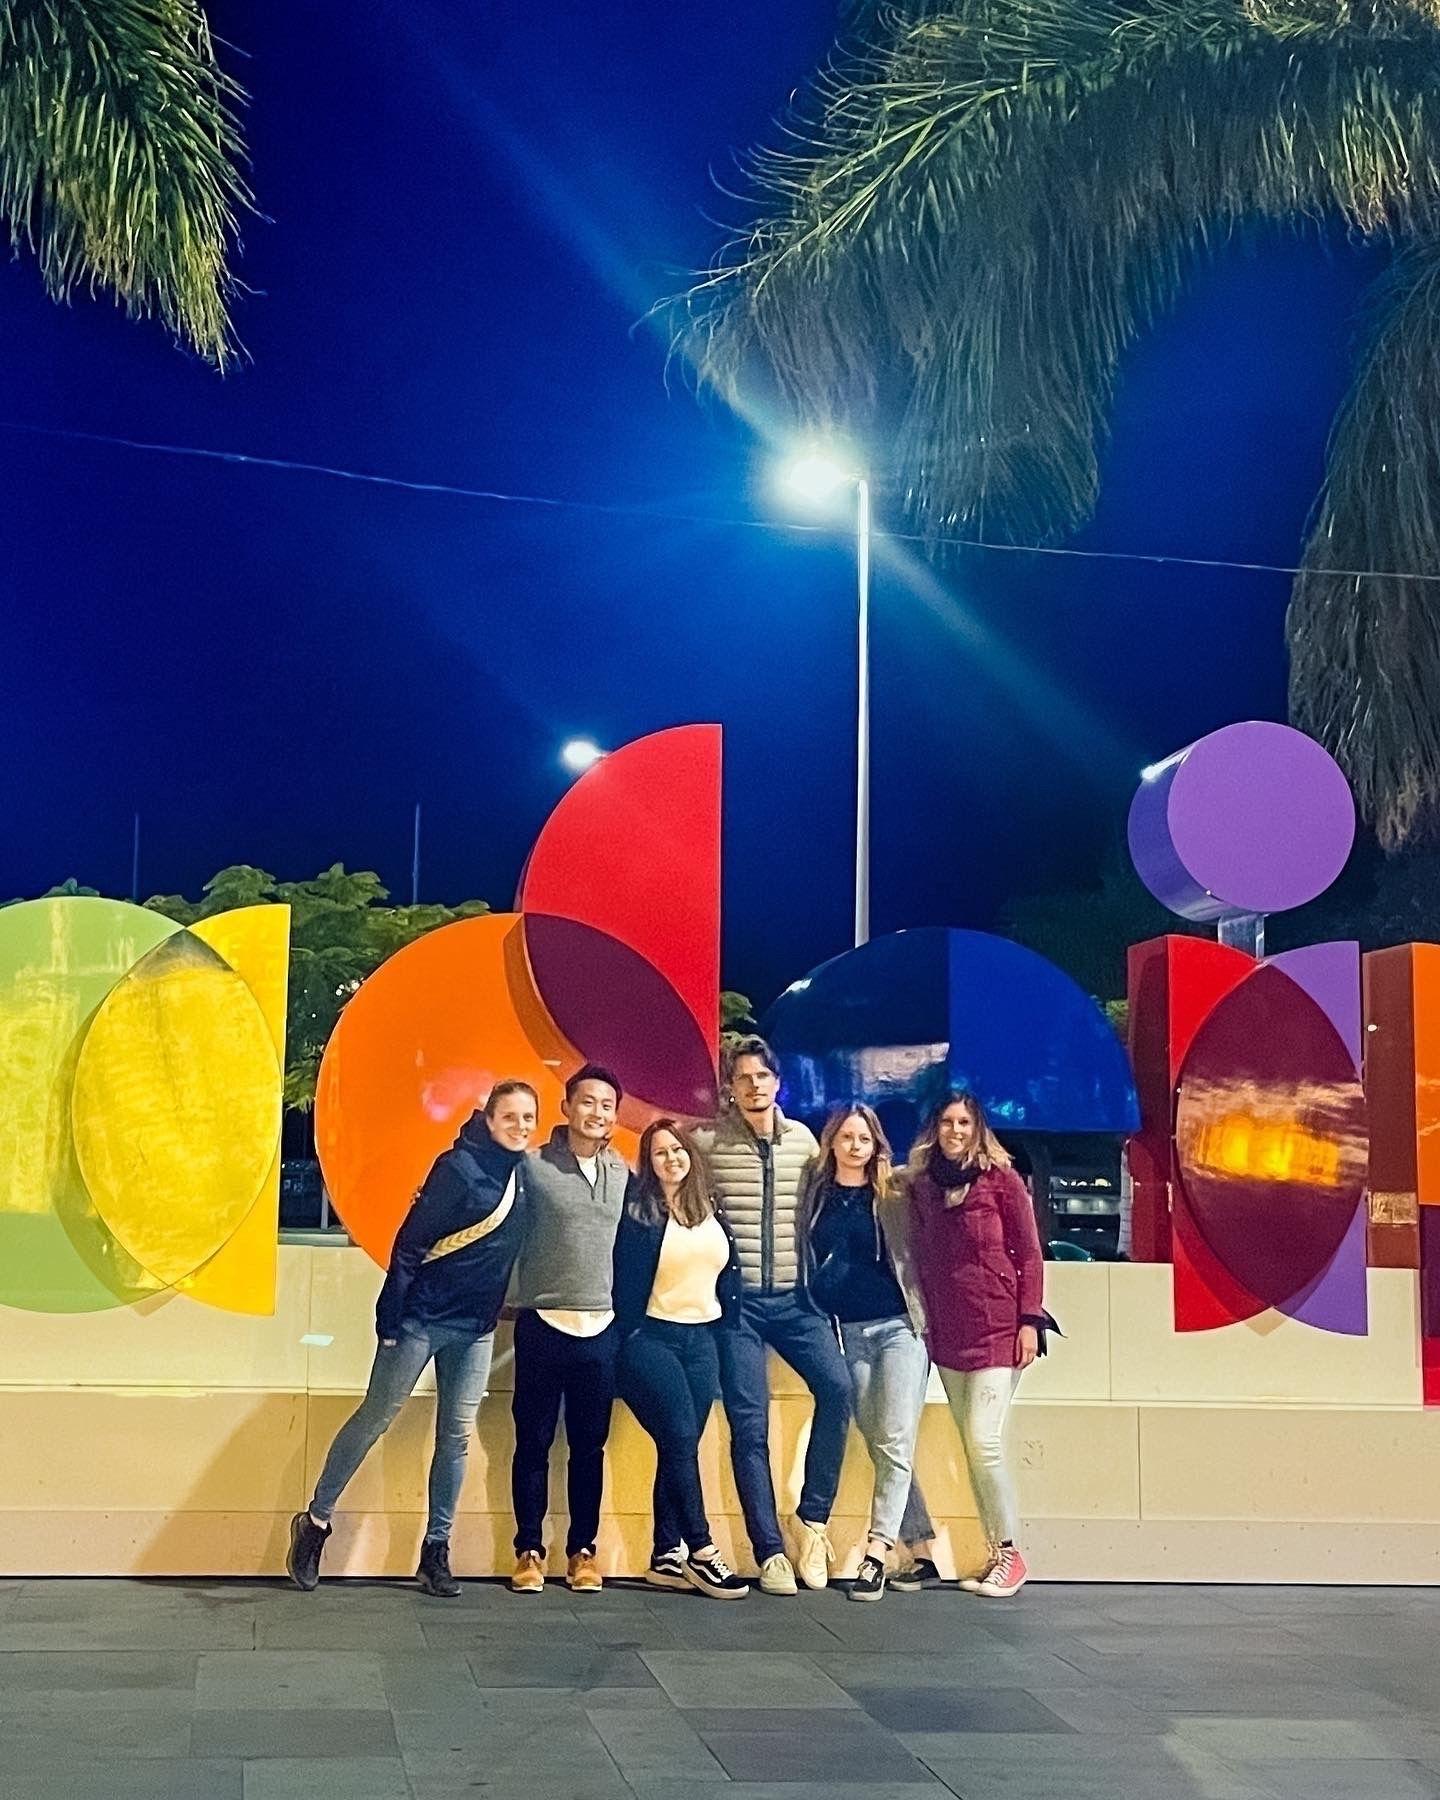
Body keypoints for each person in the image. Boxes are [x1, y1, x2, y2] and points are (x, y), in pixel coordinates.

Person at [286, 1079, 538, 1599]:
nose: (519, 1126)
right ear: (488, 1120)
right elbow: (410, 1244)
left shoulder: (525, 1176)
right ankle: (315, 1521)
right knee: (376, 1416)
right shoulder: (459, 1169)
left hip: (477, 1331)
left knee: (455, 1438)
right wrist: (391, 1321)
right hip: (420, 1322)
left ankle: (435, 1551)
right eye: (509, 1117)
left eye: (527, 1118)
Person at [693, 1035, 851, 1595]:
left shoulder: (805, 1144)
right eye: (743, 1078)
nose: (754, 1086)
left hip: (798, 1302)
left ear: (777, 1082)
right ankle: (769, 1551)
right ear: (730, 1089)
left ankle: (812, 1522)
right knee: (749, 1425)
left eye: (763, 1076)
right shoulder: (706, 1143)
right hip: (737, 1308)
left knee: (838, 1391)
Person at [906, 1090, 1047, 1598]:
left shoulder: (1002, 1181)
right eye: (946, 1122)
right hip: (949, 1333)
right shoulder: (923, 1186)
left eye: (964, 1121)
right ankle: (993, 1551)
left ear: (977, 1126)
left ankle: (1010, 1554)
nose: (955, 1130)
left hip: (999, 1329)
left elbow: (1031, 1255)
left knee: (985, 1441)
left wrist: (1029, 1321)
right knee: (971, 1444)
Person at [613, 1118, 750, 1599]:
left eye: (677, 1150)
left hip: (703, 1340)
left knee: (680, 1446)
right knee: (678, 1434)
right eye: (659, 1153)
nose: (671, 1159)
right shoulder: (640, 1214)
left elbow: (725, 1274)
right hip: (651, 1339)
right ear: (648, 1164)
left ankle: (664, 1554)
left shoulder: (710, 1208)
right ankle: (703, 1550)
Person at [802, 1104, 933, 1602]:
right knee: (880, 1440)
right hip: (847, 1331)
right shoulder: (815, 1194)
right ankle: (921, 1547)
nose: (856, 1146)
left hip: (899, 1328)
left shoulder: (895, 1192)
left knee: (895, 1439)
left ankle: (876, 1554)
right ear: (832, 1141)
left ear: (877, 1145)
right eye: (847, 1137)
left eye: (865, 1139)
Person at [508, 1063, 629, 1594]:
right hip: (541, 1322)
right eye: (587, 1102)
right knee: (531, 1442)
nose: (596, 1112)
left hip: (600, 1328)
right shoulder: (532, 1167)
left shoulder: (623, 1172)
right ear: (566, 1108)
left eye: (606, 1105)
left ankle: (583, 1551)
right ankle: (529, 1550)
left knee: (589, 1448)